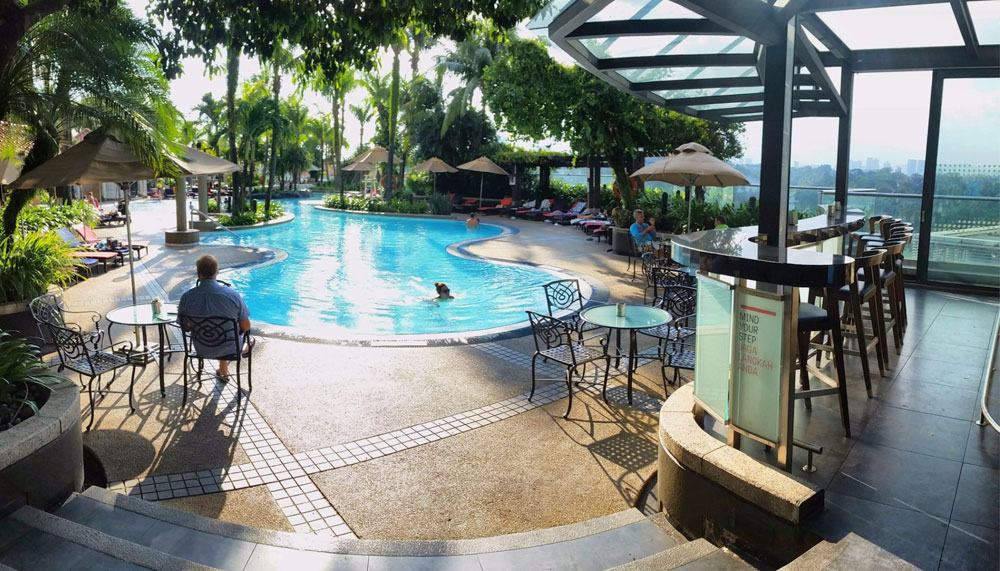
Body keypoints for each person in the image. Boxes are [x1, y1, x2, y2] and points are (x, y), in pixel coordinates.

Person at [178, 255, 252, 381]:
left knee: (216, 331)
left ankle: (223, 368)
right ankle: (244, 350)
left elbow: (185, 327)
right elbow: (246, 326)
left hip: (202, 348)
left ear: (198, 273)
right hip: (230, 348)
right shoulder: (232, 295)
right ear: (217, 272)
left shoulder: (187, 297)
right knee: (235, 333)